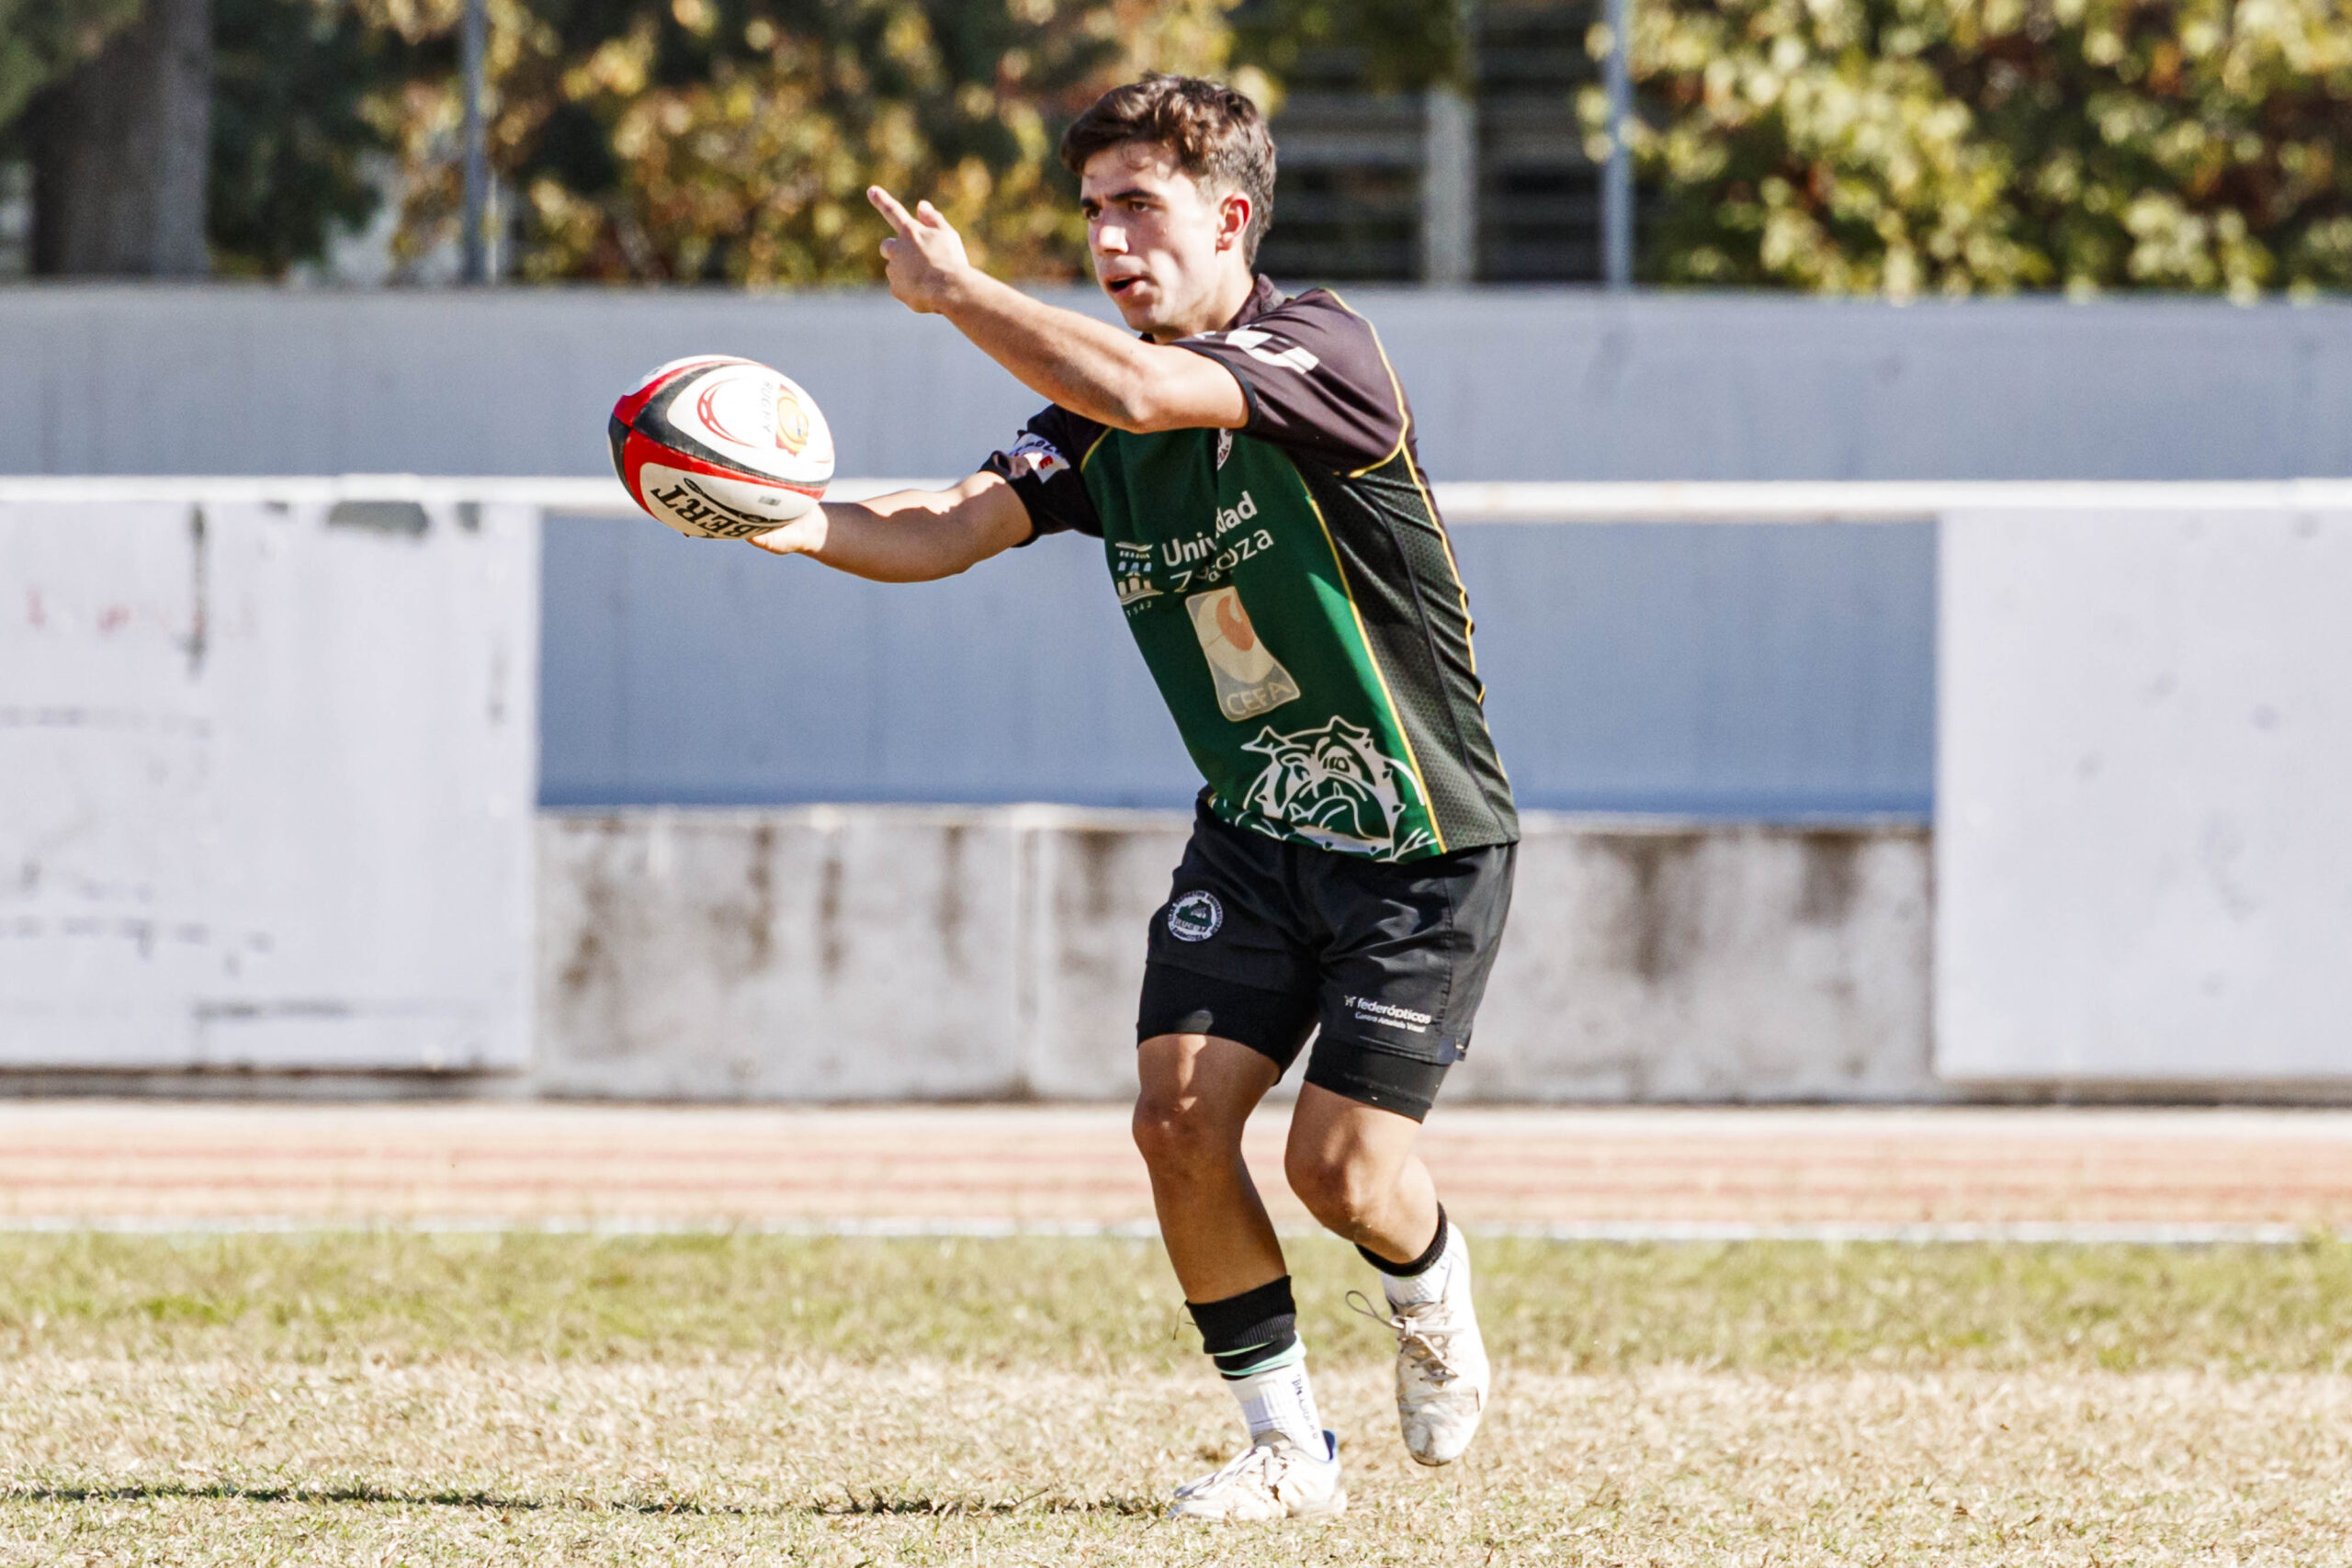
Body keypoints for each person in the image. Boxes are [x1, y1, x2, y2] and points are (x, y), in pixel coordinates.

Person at [745, 73, 1518, 1522]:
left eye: (1138, 207)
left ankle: (1427, 1287)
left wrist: (959, 295)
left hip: (1417, 842)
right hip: (1255, 829)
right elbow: (941, 529)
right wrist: (776, 516)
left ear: (1230, 217)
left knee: (1344, 1172)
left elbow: (1150, 386)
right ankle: (1290, 1452)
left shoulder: (1321, 347)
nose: (1107, 239)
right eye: (1092, 209)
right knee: (1174, 1121)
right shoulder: (1090, 423)